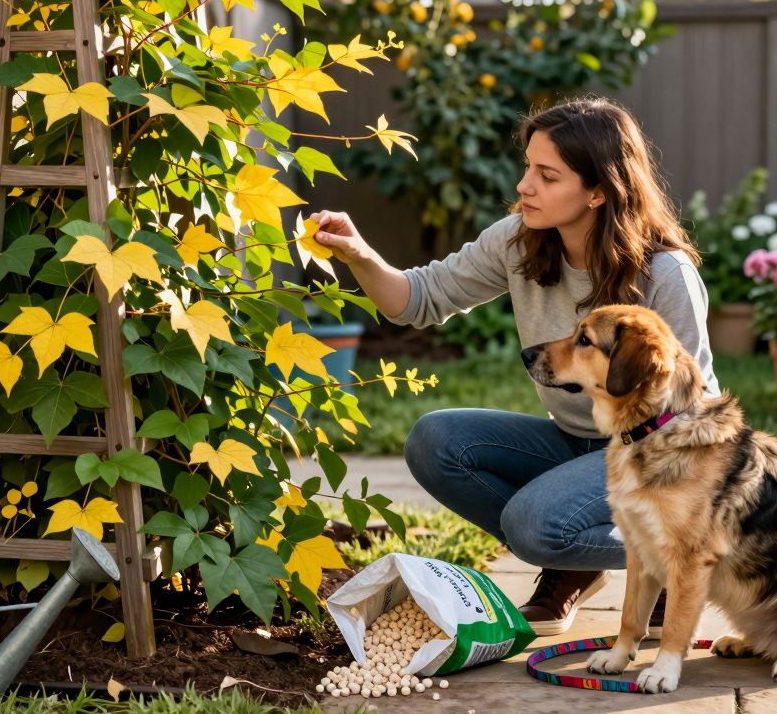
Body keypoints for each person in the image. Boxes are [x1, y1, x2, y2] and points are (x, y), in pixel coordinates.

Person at [308, 96, 720, 636]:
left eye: (547, 175)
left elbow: (692, 418)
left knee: (534, 525)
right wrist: (358, 253)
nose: (525, 186)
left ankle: (680, 560)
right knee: (435, 441)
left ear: (599, 191)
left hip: (659, 452)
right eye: (528, 167)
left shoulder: (665, 273)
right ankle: (575, 565)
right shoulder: (519, 241)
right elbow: (418, 298)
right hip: (577, 437)